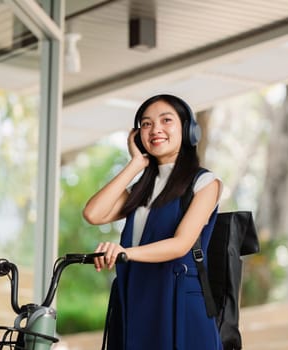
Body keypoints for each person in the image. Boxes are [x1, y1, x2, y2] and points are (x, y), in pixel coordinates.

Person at [83, 94, 223, 350]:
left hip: (176, 302)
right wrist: (136, 163)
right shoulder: (142, 188)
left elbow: (180, 244)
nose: (155, 129)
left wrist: (124, 252)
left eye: (166, 120)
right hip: (136, 297)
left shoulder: (205, 183)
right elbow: (94, 213)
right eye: (146, 124)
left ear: (188, 130)